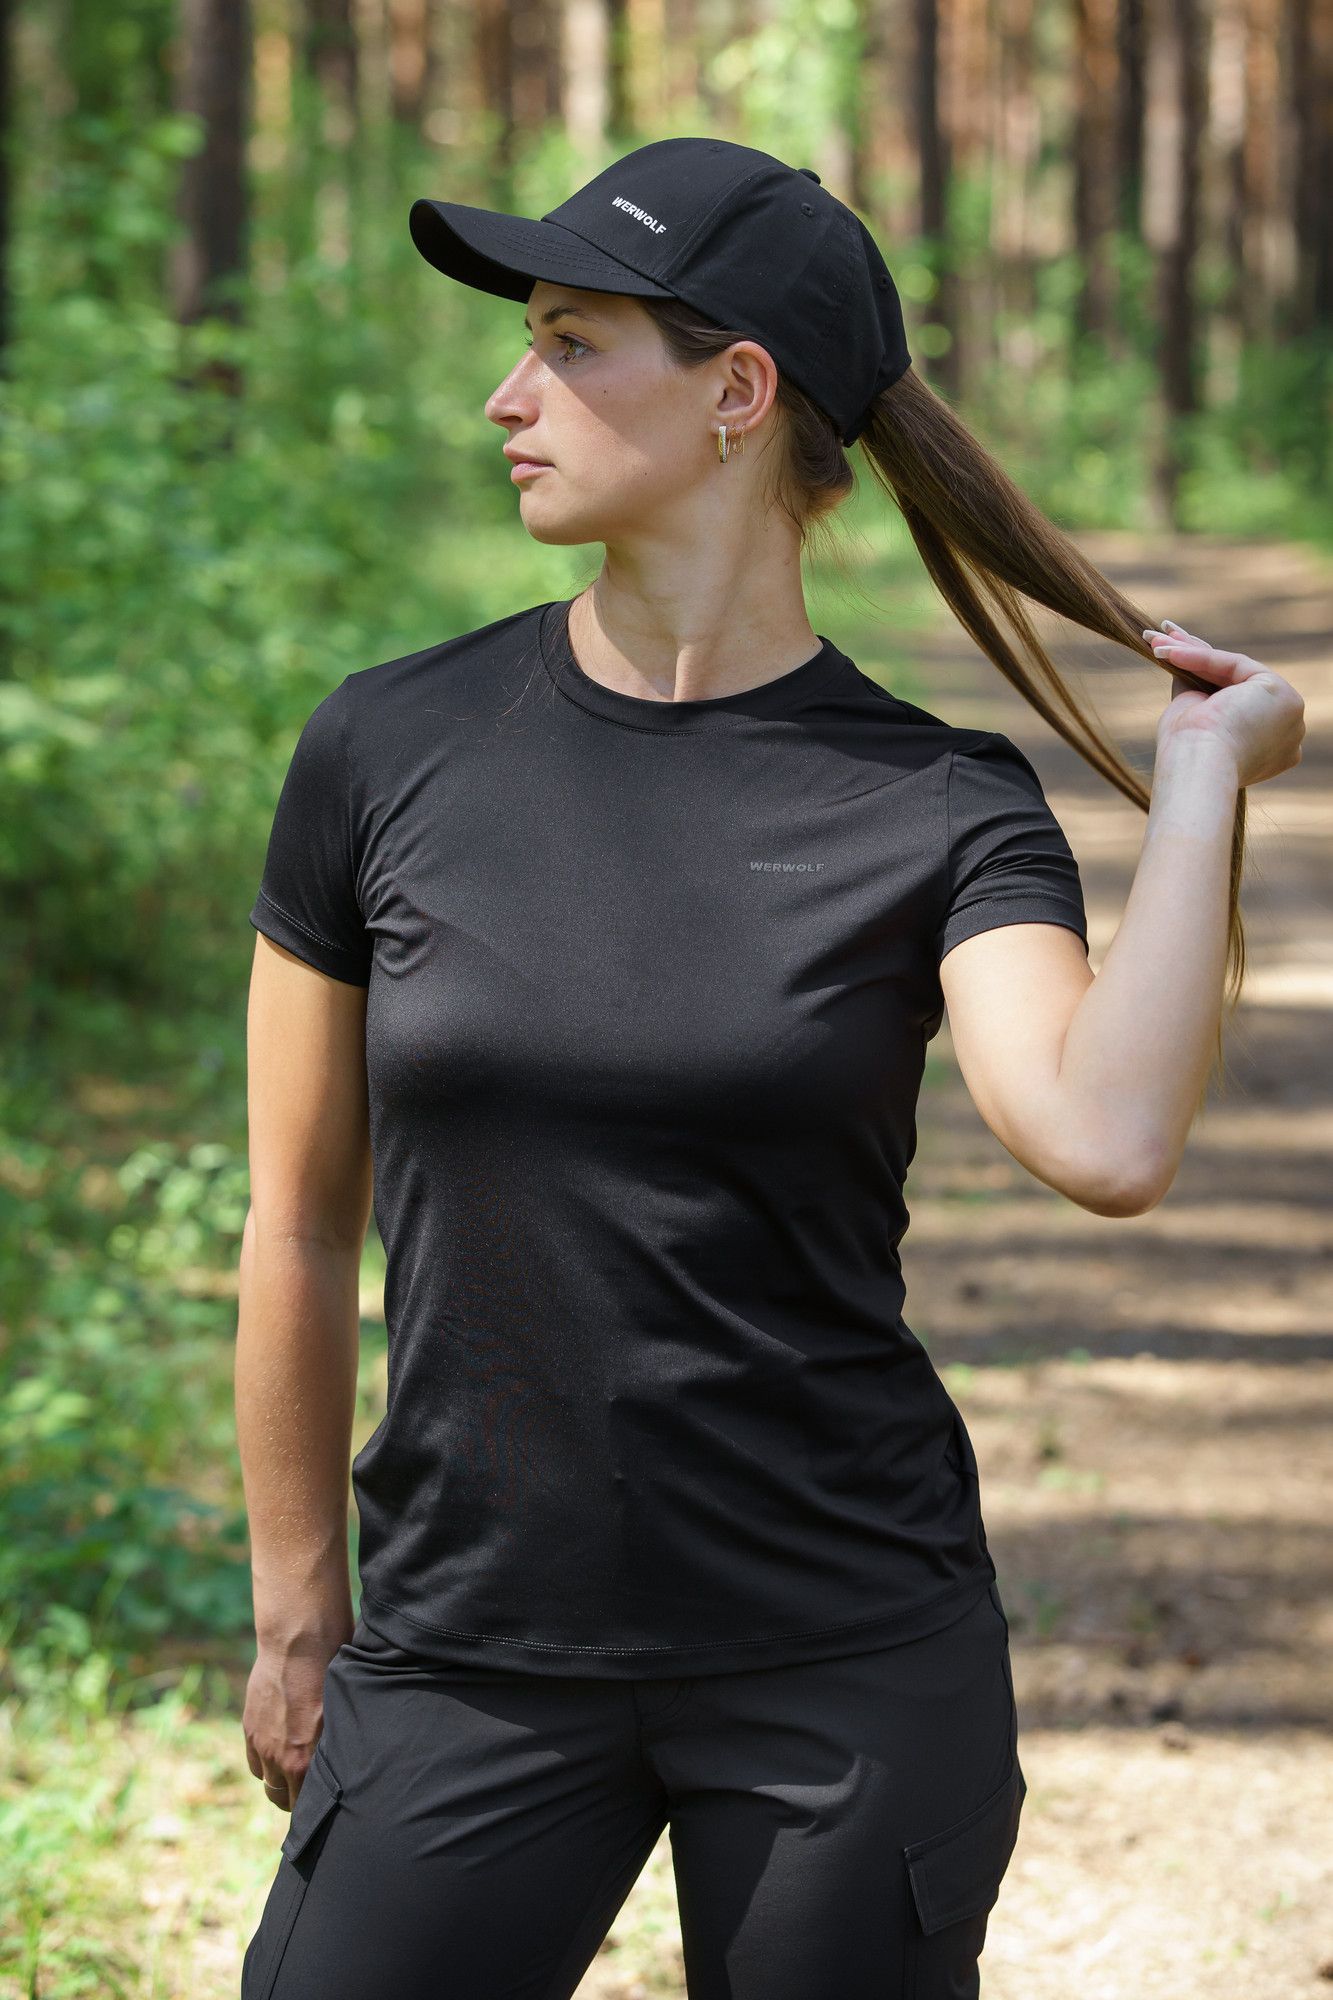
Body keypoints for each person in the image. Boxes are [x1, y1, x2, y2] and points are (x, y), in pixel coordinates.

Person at [235, 137, 1304, 2000]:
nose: (507, 396)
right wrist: (295, 1602)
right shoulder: (386, 749)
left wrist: (1199, 781)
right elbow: (299, 1221)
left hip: (841, 1657)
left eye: (569, 342)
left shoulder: (935, 801)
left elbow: (1107, 1136)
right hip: (470, 1645)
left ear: (737, 392)